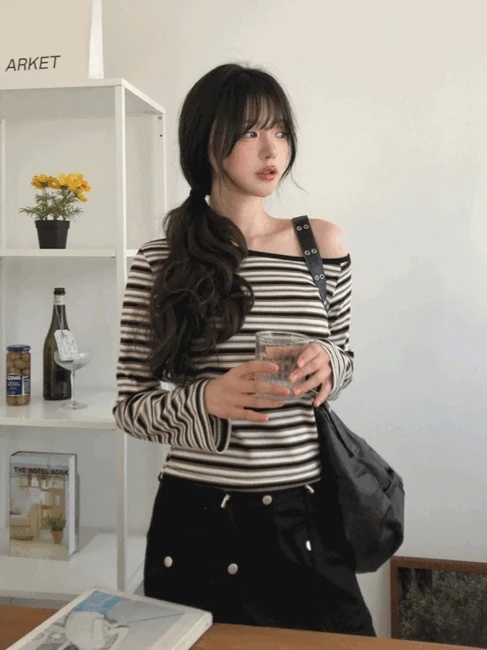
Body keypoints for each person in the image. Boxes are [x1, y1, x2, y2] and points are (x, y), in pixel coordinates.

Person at [113, 62, 375, 636]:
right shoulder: (160, 260)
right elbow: (130, 407)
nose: (271, 149)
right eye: (250, 131)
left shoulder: (320, 245)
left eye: (280, 131)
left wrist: (329, 364)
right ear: (207, 142)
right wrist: (207, 399)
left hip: (304, 511)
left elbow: (345, 358)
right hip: (199, 517)